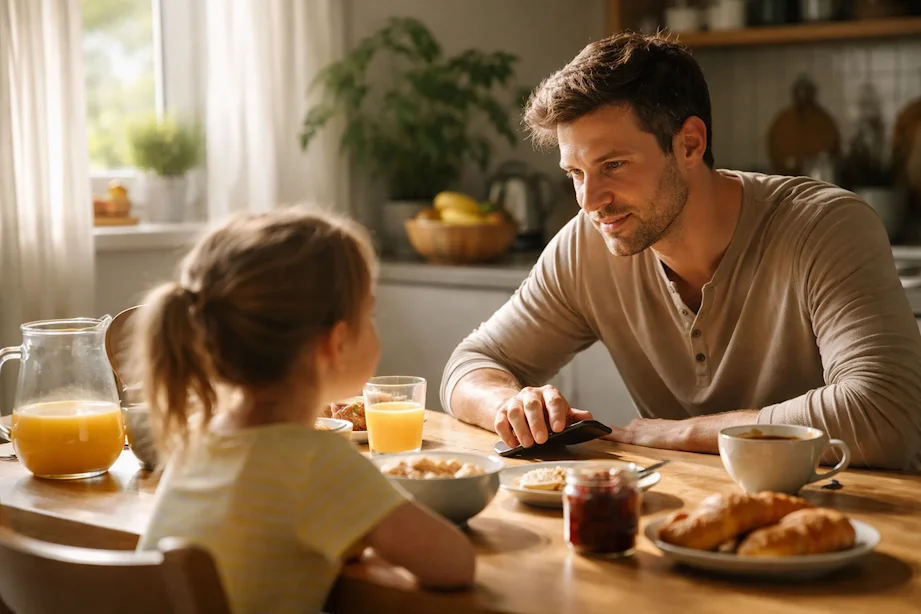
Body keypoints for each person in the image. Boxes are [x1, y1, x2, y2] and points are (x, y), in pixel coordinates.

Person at [440, 32, 921, 470]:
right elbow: (470, 365)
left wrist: (681, 433)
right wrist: (510, 404)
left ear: (689, 143)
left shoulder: (824, 227)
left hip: (851, 517)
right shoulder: (586, 246)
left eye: (613, 165)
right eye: (576, 174)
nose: (589, 201)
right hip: (679, 515)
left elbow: (885, 413)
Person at [133, 207, 475, 613]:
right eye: (370, 313)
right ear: (336, 343)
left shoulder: (194, 439)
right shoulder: (317, 462)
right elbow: (454, 565)